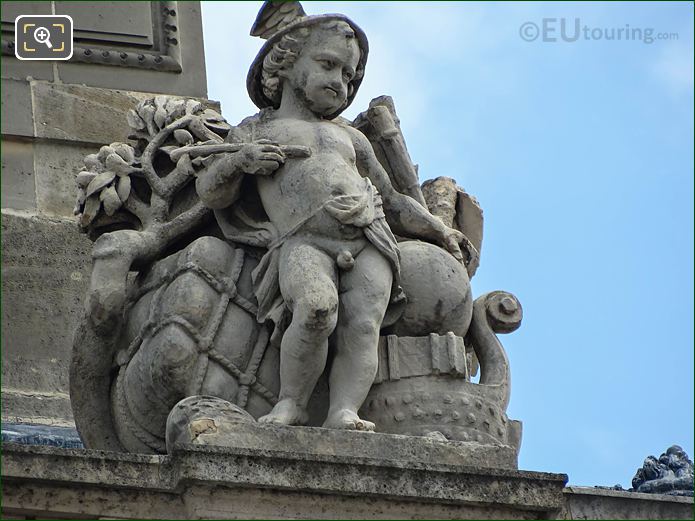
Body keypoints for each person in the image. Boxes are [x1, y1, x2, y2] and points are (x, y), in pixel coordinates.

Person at [195, 9, 467, 430]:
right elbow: (211, 191)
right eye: (327, 65)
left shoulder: (351, 137)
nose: (340, 81)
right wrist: (242, 162)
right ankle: (291, 403)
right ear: (284, 63)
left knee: (362, 326)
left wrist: (439, 229)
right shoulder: (257, 129)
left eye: (349, 75)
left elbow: (394, 202)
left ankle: (344, 411)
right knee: (316, 308)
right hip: (304, 240)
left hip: (369, 237)